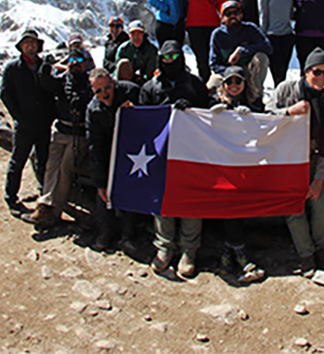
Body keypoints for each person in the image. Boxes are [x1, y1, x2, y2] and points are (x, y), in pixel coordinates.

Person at [139, 40, 211, 278]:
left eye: (175, 57)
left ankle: (189, 250)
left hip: (190, 152)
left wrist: (192, 108)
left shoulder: (194, 84)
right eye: (166, 57)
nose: (171, 61)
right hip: (162, 153)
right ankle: (164, 248)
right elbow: (142, 119)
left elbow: (208, 110)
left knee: (191, 197)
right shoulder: (150, 87)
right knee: (163, 199)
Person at [270, 48, 324, 277]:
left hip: (314, 160)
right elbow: (265, 115)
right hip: (287, 162)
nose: (321, 77)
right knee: (293, 209)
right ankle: (306, 254)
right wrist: (289, 111)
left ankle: (320, 248)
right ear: (306, 71)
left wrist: (319, 178)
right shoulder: (286, 90)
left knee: (322, 206)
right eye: (317, 72)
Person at [22, 33, 95, 230]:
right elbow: (45, 80)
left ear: (85, 63)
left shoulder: (90, 85)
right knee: (50, 166)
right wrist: (48, 64)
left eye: (78, 60)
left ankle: (53, 212)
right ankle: (44, 205)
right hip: (61, 131)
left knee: (64, 170)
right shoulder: (63, 81)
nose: (74, 64)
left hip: (77, 136)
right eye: (71, 60)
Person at [207, 66, 266, 284]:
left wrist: (251, 117)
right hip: (223, 164)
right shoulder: (215, 105)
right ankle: (239, 255)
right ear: (223, 85)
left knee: (235, 205)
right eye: (229, 81)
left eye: (237, 81)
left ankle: (228, 253)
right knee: (229, 203)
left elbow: (264, 125)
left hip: (246, 164)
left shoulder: (254, 103)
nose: (233, 85)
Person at [0, 29, 56, 217]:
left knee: (43, 160)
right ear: (21, 46)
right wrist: (18, 116)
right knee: (18, 160)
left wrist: (50, 116)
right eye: (27, 43)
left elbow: (51, 91)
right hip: (24, 124)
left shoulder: (43, 66)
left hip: (43, 123)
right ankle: (11, 196)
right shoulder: (13, 68)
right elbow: (5, 94)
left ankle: (44, 194)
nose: (30, 46)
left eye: (33, 43)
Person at [86, 68, 141, 250]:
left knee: (132, 190)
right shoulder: (94, 110)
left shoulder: (131, 92)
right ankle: (105, 231)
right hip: (109, 152)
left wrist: (136, 112)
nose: (104, 93)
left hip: (135, 152)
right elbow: (95, 146)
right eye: (98, 91)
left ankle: (129, 234)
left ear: (113, 82)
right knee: (102, 193)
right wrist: (100, 182)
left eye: (107, 88)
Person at [208, 0, 273, 103]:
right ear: (222, 18)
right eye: (228, 14)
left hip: (248, 72)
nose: (233, 16)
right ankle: (222, 102)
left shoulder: (250, 29)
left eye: (236, 13)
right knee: (211, 86)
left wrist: (242, 50)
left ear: (241, 15)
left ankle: (255, 98)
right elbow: (214, 63)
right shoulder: (217, 35)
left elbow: (267, 47)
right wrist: (231, 75)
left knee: (261, 57)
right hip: (226, 72)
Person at [186, 0, 225, 82]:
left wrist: (225, 15)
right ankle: (204, 83)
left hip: (211, 24)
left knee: (212, 55)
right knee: (200, 57)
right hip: (193, 25)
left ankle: (215, 82)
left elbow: (220, 2)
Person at [258, 0, 295, 86]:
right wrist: (263, 36)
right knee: (275, 68)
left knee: (283, 68)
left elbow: (290, 15)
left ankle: (281, 92)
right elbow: (263, 15)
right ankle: (278, 93)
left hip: (287, 36)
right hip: (272, 36)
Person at [114, 20, 158, 85]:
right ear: (129, 35)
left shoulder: (151, 50)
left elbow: (151, 72)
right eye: (133, 34)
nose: (136, 37)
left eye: (139, 34)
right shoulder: (123, 49)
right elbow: (118, 70)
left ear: (143, 34)